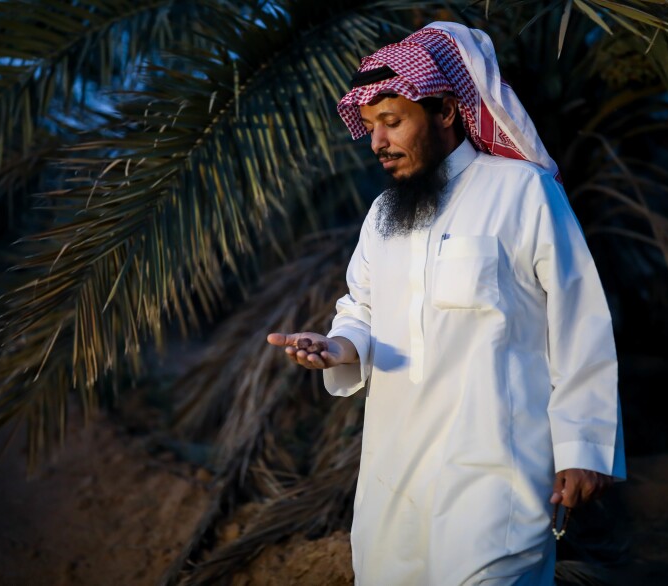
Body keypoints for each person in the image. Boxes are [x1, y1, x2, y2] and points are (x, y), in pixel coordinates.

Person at [266, 21, 625, 586]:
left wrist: (584, 446)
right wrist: (334, 346)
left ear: (447, 111)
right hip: (395, 484)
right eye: (370, 127)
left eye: (392, 121)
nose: (377, 142)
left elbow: (579, 318)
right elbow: (361, 309)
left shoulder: (521, 191)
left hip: (495, 477)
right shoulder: (382, 217)